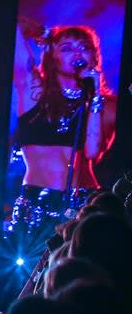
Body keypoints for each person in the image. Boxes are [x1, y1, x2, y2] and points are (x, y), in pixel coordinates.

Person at [10, 24, 117, 236]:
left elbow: (92, 152)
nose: (78, 53)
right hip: (37, 202)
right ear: (52, 56)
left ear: (94, 57)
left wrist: (94, 97)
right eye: (67, 48)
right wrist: (43, 33)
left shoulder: (108, 105)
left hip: (85, 202)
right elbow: (14, 26)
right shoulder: (34, 93)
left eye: (84, 47)